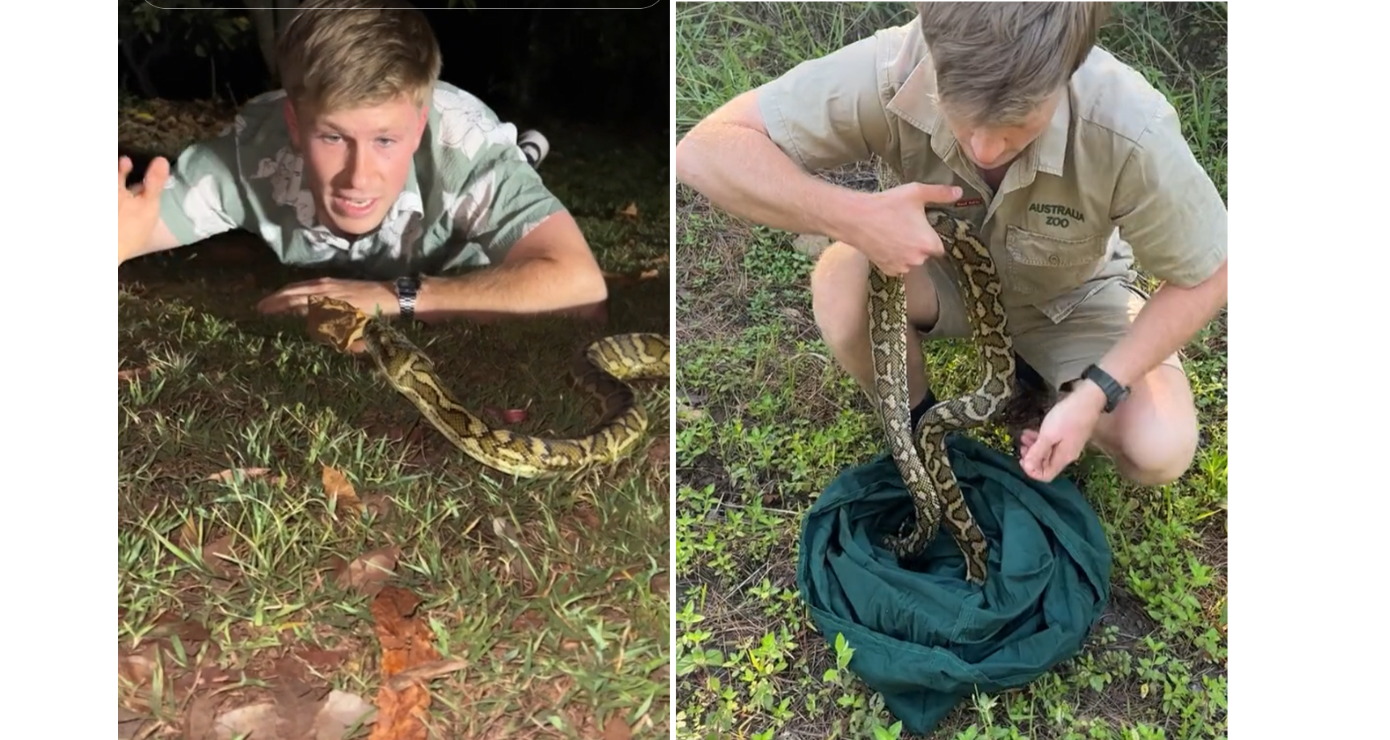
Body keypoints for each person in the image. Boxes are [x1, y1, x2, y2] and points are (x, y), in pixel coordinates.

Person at [675, 2, 1227, 487]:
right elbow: (703, 152)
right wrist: (853, 216)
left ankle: (1051, 382)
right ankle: (920, 424)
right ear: (933, 51)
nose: (986, 148)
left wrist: (1098, 391)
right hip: (940, 278)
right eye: (961, 115)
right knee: (844, 282)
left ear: (1071, 70)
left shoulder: (1131, 124)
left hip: (1075, 295)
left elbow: (1213, 272)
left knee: (1158, 447)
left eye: (1018, 123)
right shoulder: (890, 68)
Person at [117, 0, 608, 327]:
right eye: (333, 136)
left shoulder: (465, 149)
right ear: (293, 123)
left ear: (418, 127)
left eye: (386, 140)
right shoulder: (254, 151)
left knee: (505, 175)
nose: (358, 176)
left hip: (454, 235)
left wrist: (400, 297)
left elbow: (579, 287)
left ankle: (524, 153)